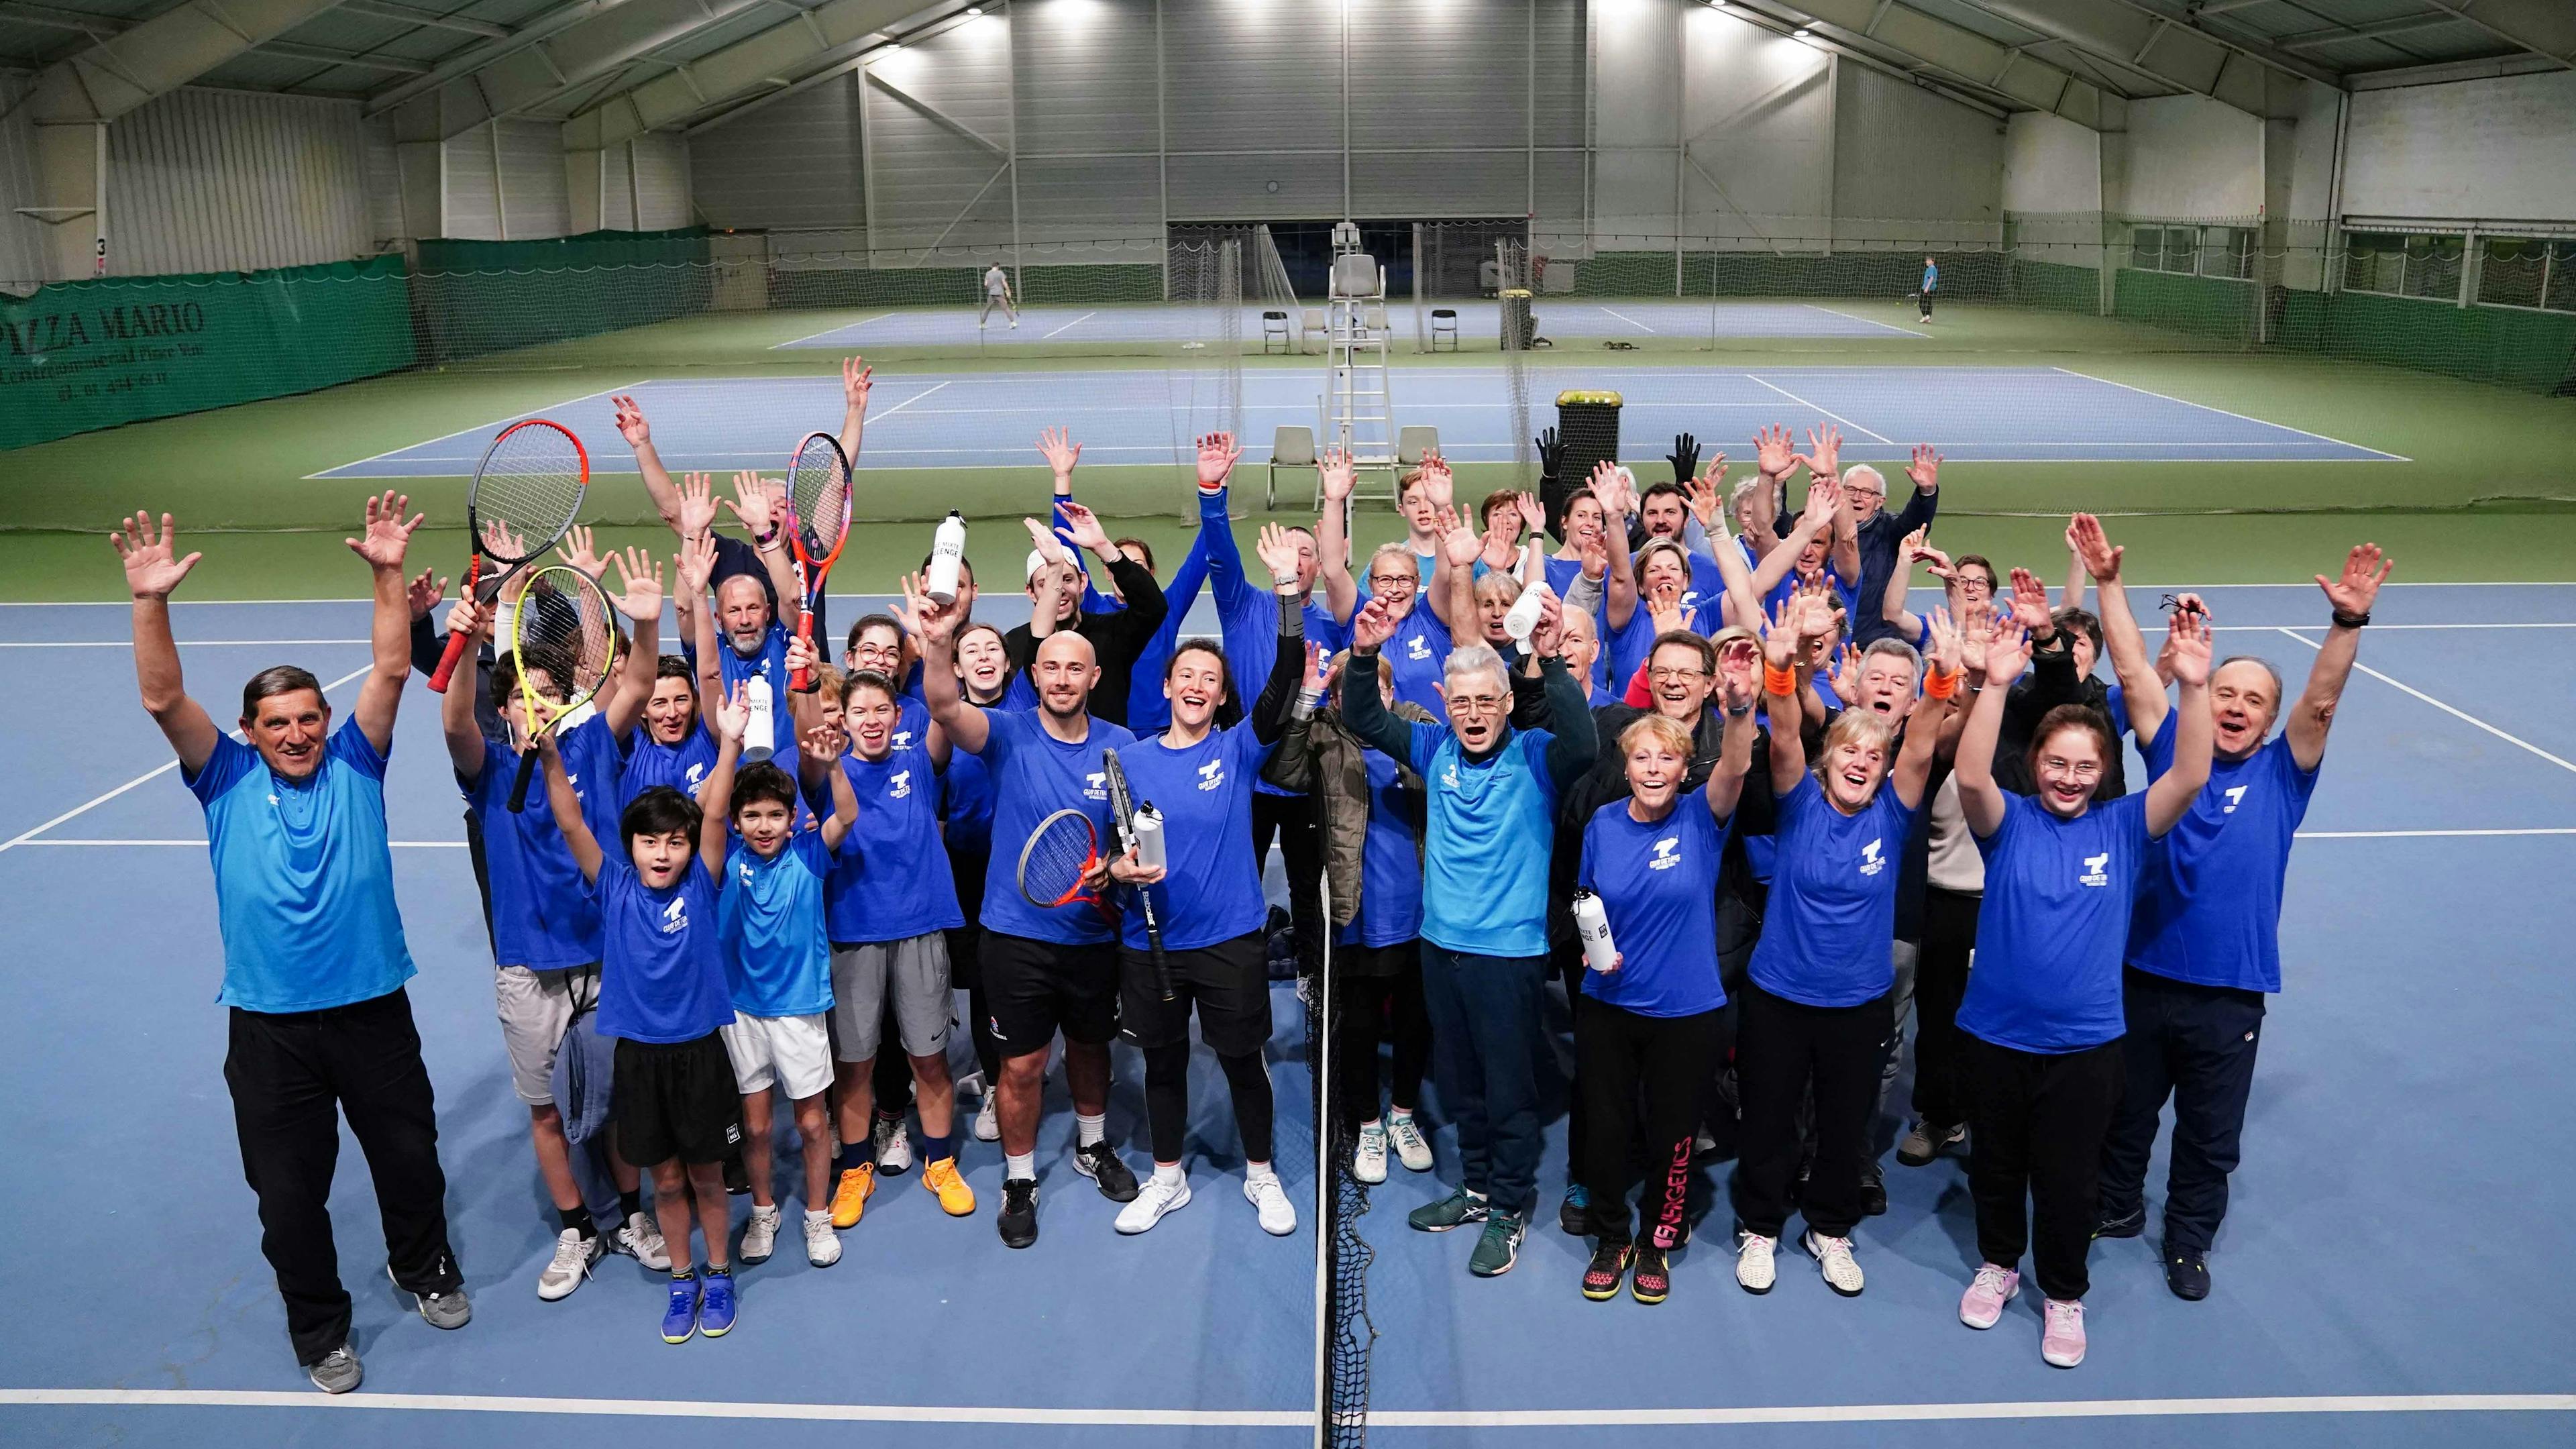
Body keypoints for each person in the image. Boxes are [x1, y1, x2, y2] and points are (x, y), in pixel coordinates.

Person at [118, 499, 466, 1393]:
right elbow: (162, 697)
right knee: (288, 1198)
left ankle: (420, 1266)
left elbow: (393, 667)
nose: (299, 733)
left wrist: (388, 574)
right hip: (271, 1029)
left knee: (409, 1158)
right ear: (250, 734)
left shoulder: (358, 760)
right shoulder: (223, 779)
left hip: (372, 1010)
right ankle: (320, 1331)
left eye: (310, 717)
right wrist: (149, 599)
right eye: (278, 723)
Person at [2082, 521, 2388, 1301]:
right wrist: (2109, 584)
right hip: (2141, 973)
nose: (2237, 707)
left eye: (2255, 700)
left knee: (2211, 1136)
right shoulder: (2169, 753)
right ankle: (2115, 1210)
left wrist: (2346, 621)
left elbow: (2320, 702)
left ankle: (2187, 1242)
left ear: (2268, 718)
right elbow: (2129, 668)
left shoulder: (2287, 775)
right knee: (2125, 1113)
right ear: (2206, 696)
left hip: (2231, 990)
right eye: (2226, 691)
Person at [1949, 592, 2214, 1368]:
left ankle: (2063, 1293)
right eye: (2056, 764)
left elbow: (2191, 772)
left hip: (2085, 1046)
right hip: (1992, 1035)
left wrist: (2193, 684)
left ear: (2104, 774)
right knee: (1997, 1167)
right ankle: (1999, 1263)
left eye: (2085, 766)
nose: (2069, 777)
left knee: (2068, 1182)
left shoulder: (2125, 827)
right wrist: (1995, 684)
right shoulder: (2010, 824)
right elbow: (1969, 778)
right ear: (2036, 767)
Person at [1343, 590, 1599, 1278]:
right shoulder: (1432, 746)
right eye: (1463, 703)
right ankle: (1479, 1190)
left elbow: (1586, 744)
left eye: (1488, 701)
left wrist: (1549, 662)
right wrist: (1365, 654)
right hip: (1439, 949)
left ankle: (1510, 1207)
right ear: (1444, 702)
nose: (1475, 714)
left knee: (1510, 1090)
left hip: (1508, 956)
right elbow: (1362, 714)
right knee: (1462, 1086)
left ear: (1508, 702)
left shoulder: (1539, 757)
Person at [443, 551, 672, 1303]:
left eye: (550, 693)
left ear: (568, 699)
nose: (537, 706)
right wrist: (471, 643)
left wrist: (644, 618)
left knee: (619, 1102)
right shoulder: (486, 771)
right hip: (528, 967)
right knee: (547, 1109)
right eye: (522, 698)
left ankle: (630, 1216)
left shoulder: (593, 744)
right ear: (504, 708)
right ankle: (577, 1226)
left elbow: (638, 682)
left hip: (605, 958)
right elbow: (455, 724)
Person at [1732, 592, 1956, 1300]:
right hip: (1778, 998)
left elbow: (1921, 742)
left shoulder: (1893, 810)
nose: (1863, 761)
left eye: (1874, 754)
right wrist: (1781, 666)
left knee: (1843, 1124)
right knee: (1768, 1121)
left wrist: (1946, 681)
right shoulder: (1798, 797)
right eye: (1849, 751)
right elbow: (1785, 734)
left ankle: (1829, 1227)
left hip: (1858, 1003)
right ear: (1828, 762)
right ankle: (1762, 1227)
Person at [920, 576, 1142, 1248]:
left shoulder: (1122, 744)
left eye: (1077, 668)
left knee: (1091, 1046)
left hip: (1094, 933)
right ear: (1035, 672)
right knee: (1018, 1067)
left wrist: (1123, 867)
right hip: (1016, 936)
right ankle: (1020, 1178)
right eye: (1053, 666)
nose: (1064, 678)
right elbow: (943, 706)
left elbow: (1138, 838)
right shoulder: (1007, 735)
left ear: (1094, 676)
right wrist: (937, 647)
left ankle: (1093, 1144)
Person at [1101, 527, 1309, 1234]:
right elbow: (1107, 855)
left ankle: (1261, 1174)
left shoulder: (1241, 747)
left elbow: (1285, 678)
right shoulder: (1126, 760)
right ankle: (1167, 1179)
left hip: (1229, 940)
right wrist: (1115, 871)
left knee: (1243, 1061)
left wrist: (1285, 592)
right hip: (1149, 941)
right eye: (1186, 676)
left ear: (1223, 699)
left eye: (1209, 681)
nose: (1195, 685)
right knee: (1163, 1064)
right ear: (1166, 686)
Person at [536, 685, 750, 1346]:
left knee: (709, 1176)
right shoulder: (614, 883)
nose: (663, 853)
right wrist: (548, 755)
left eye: (675, 842)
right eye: (650, 842)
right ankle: (682, 1277)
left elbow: (715, 815)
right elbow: (572, 821)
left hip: (700, 1053)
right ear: (629, 846)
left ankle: (718, 1273)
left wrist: (732, 741)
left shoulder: (701, 881)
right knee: (664, 1179)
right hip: (640, 1056)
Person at [1574, 675, 1759, 1305]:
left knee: (1674, 1137)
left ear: (1684, 770)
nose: (1653, 769)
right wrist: (1590, 942)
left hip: (1686, 1013)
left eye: (1668, 758)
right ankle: (1610, 1236)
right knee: (1605, 1131)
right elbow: (1585, 896)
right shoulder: (1601, 824)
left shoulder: (1702, 819)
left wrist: (1738, 707)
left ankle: (1656, 1238)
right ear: (1625, 766)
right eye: (1641, 757)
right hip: (1609, 1008)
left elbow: (1736, 764)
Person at [696, 659, 857, 1271]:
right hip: (741, 1011)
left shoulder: (810, 856)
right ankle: (764, 1214)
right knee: (758, 1128)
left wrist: (835, 762)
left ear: (793, 821)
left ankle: (816, 1217)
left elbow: (847, 815)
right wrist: (730, 745)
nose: (764, 825)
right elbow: (710, 812)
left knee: (814, 1125)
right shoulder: (723, 862)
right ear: (739, 823)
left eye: (775, 816)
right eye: (753, 816)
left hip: (798, 1009)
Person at [814, 641, 975, 1230]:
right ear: (845, 719)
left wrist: (937, 642)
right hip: (852, 935)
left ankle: (939, 1161)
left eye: (881, 710)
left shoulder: (919, 762)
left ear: (897, 715)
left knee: (929, 1061)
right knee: (855, 1066)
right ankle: (855, 1170)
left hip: (920, 930)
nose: (872, 721)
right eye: (859, 712)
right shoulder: (827, 776)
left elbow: (943, 704)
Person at [1265, 645, 1437, 1184]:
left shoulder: (1414, 727)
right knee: (1358, 1028)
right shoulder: (1322, 735)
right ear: (1338, 699)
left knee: (1416, 1023)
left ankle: (1403, 1117)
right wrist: (1309, 699)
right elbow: (1283, 770)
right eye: (1346, 693)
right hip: (1353, 911)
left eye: (1377, 690)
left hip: (1425, 914)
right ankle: (1367, 1124)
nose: (1365, 700)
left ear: (1389, 693)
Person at [1010, 446, 1169, 729]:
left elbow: (1153, 607)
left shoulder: (1112, 634)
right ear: (1031, 593)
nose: (1059, 591)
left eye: (1066, 580)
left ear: (1083, 582)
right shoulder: (1015, 645)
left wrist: (1103, 547)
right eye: (1047, 584)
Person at [981, 262, 1019, 328]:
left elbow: (986, 284)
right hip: (1000, 293)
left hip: (991, 294)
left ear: (992, 266)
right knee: (1006, 308)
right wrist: (1008, 291)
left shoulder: (988, 273)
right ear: (998, 266)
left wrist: (991, 288)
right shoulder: (1000, 273)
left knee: (987, 309)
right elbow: (1004, 283)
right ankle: (1013, 323)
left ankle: (982, 324)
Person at [1918, 254, 1938, 323]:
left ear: (1932, 261)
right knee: (1928, 302)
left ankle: (1926, 316)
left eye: (1928, 261)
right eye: (1927, 261)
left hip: (1928, 288)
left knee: (1921, 302)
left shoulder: (1932, 268)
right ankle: (1928, 317)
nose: (1926, 262)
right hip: (1930, 288)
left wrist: (1927, 288)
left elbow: (1932, 278)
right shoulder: (1931, 268)